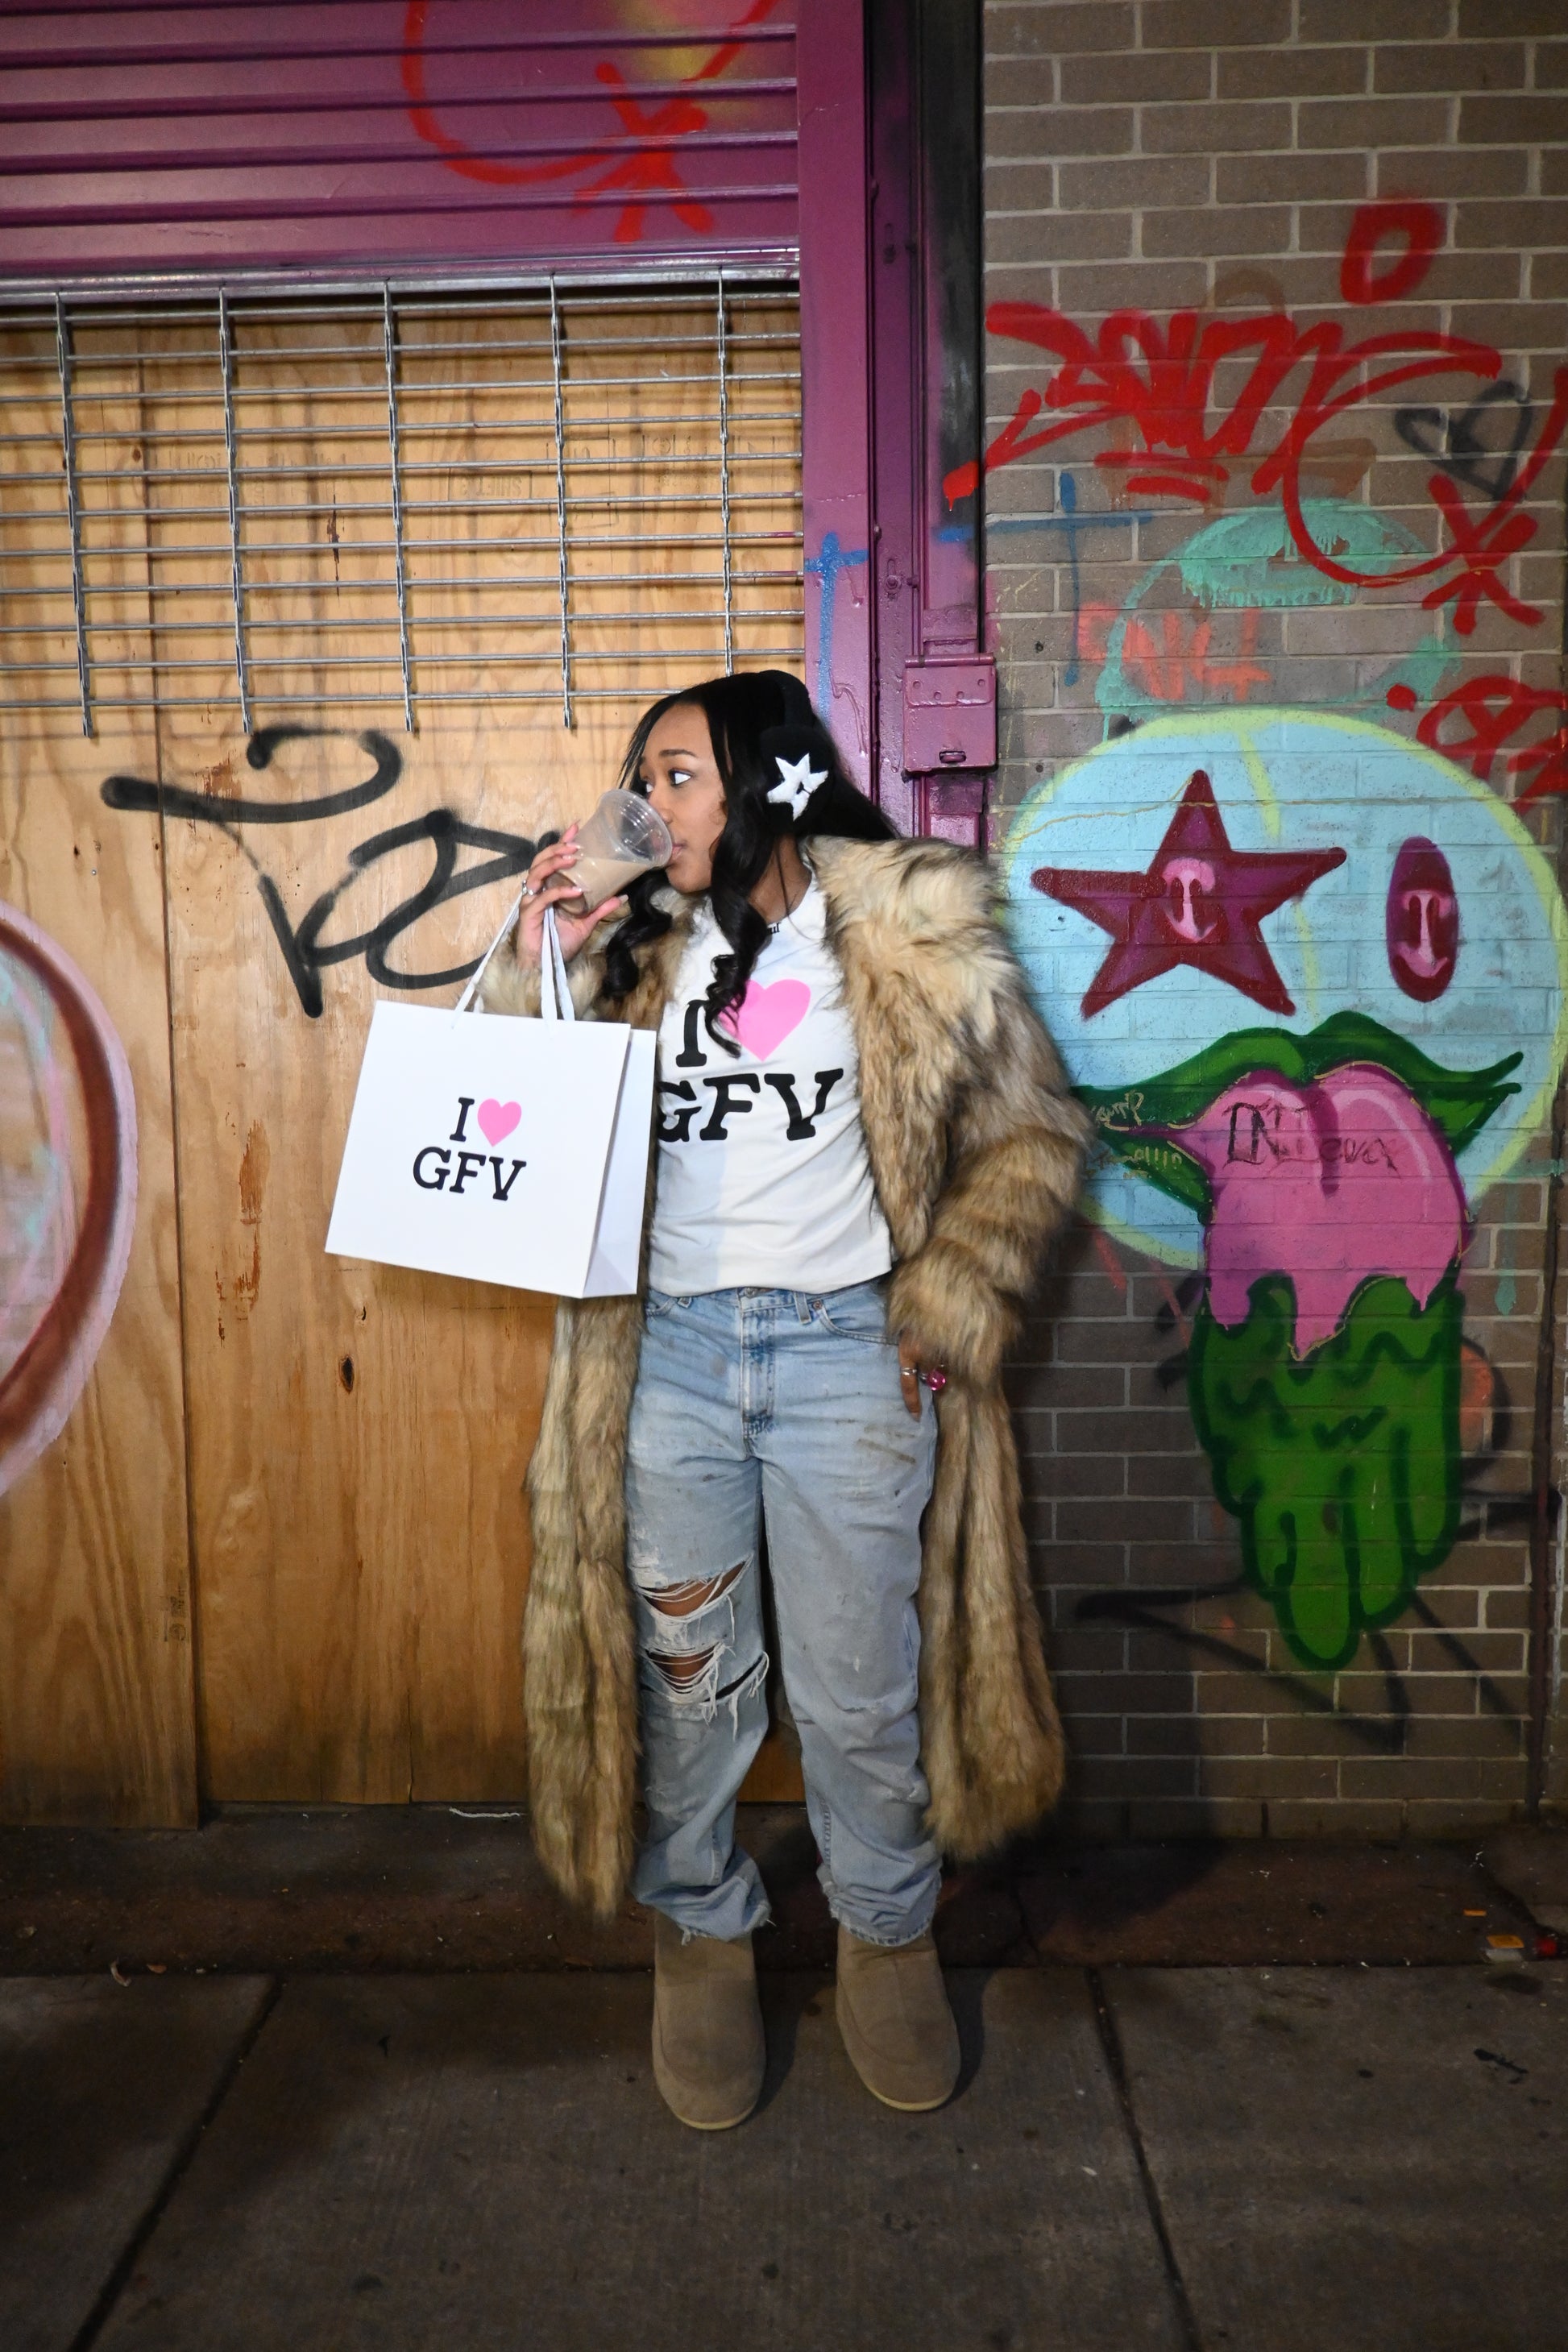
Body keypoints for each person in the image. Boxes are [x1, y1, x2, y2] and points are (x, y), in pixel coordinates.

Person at [479, 670, 1086, 2129]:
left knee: (857, 1689)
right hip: (670, 1359)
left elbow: (1034, 1141)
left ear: (766, 778)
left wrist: (945, 1306)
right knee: (691, 1686)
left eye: (677, 776)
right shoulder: (631, 943)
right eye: (644, 779)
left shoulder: (910, 934)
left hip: (844, 1362)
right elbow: (511, 1108)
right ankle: (698, 1935)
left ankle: (887, 1934)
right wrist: (547, 950)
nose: (650, 805)